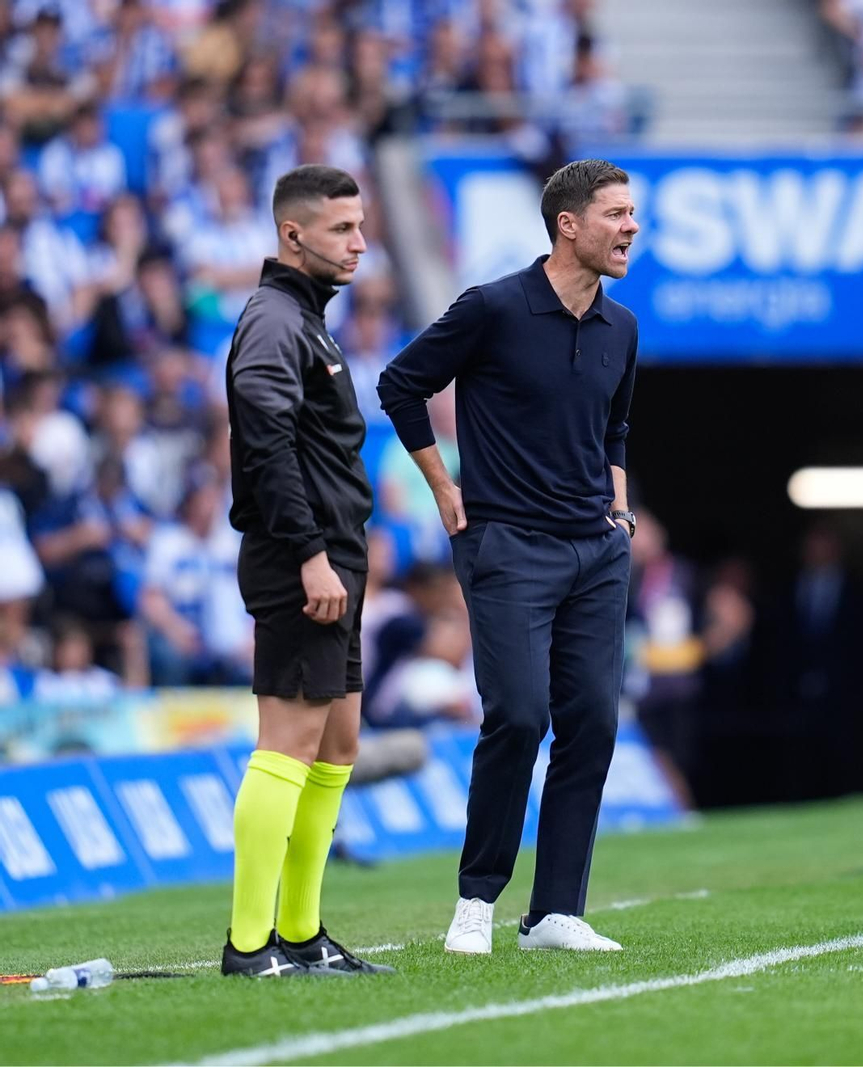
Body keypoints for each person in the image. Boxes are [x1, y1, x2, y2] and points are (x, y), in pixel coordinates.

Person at [378, 158, 639, 955]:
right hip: (508, 547)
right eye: (616, 214)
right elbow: (400, 384)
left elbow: (616, 427)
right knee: (519, 714)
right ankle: (476, 899)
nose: (631, 227)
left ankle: (557, 910)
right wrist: (440, 486)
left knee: (591, 720)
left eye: (633, 213)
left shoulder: (621, 327)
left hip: (597, 551)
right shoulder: (493, 307)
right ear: (569, 224)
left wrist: (620, 508)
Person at [221, 164, 393, 978]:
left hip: (336, 559)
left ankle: (301, 932)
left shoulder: (307, 320)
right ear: (293, 234)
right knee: (287, 740)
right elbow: (265, 436)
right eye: (341, 230)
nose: (359, 243)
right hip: (304, 561)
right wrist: (310, 553)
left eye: (360, 227)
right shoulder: (272, 319)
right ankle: (250, 944)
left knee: (339, 740)